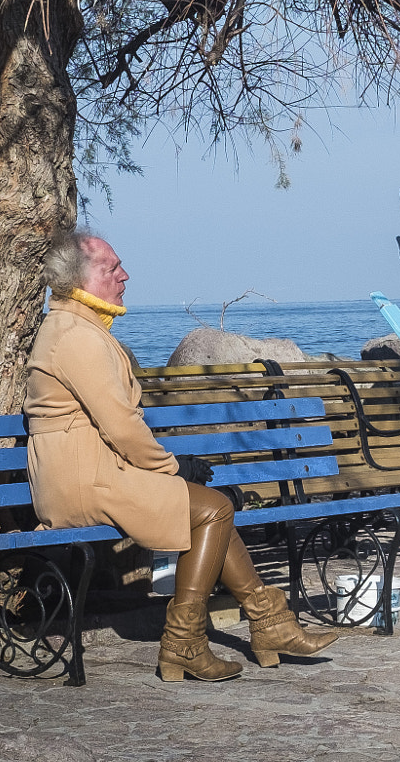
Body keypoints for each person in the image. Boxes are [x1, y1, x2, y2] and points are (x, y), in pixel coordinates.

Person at [25, 228, 338, 681]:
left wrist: (170, 473)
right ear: (79, 281)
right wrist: (173, 468)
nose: (125, 275)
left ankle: (269, 624)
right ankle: (187, 642)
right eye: (112, 268)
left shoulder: (76, 328)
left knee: (215, 508)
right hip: (81, 481)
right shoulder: (75, 337)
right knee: (212, 510)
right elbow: (122, 426)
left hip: (92, 472)